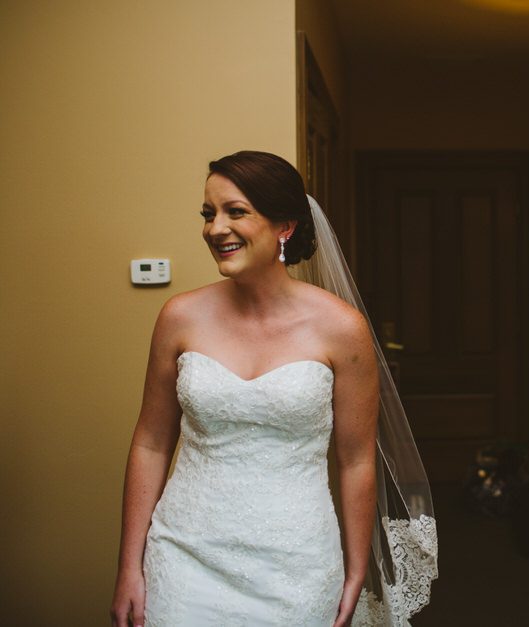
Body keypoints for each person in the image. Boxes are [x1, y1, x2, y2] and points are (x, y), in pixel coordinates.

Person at [110, 151, 437, 627]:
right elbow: (151, 442)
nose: (215, 228)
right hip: (183, 551)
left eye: (235, 211)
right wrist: (128, 566)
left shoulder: (341, 328)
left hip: (297, 561)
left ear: (285, 226)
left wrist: (356, 570)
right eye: (208, 214)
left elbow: (356, 460)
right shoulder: (179, 317)